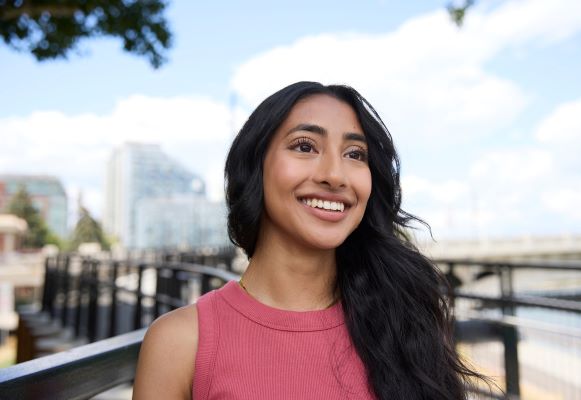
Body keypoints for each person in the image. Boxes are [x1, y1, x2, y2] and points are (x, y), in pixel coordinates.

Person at [133, 82, 483, 400]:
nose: (334, 175)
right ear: (255, 166)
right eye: (305, 146)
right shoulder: (180, 344)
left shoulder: (405, 319)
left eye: (355, 154)